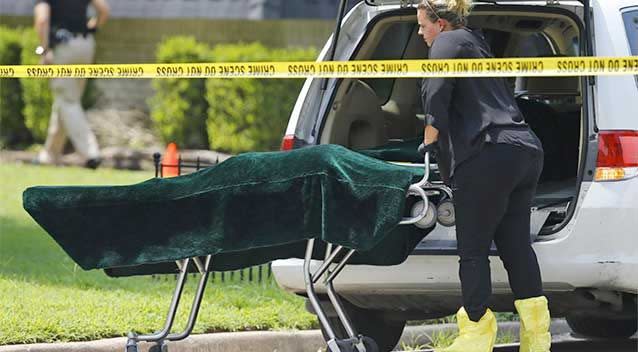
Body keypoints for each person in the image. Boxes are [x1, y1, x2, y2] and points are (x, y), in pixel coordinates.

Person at [416, 1, 551, 351]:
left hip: (487, 153)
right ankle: (537, 340)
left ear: (440, 24)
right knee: (517, 248)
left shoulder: (447, 43)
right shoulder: (477, 43)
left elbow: (436, 91)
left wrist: (429, 139)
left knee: (473, 252)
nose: (421, 34)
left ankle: (475, 337)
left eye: (422, 26)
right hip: (523, 149)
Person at [34, 0, 110, 169]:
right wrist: (92, 28)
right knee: (67, 99)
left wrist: (44, 50)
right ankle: (50, 154)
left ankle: (91, 153)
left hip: (64, 48)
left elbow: (42, 20)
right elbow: (104, 10)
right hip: (86, 45)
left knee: (68, 101)